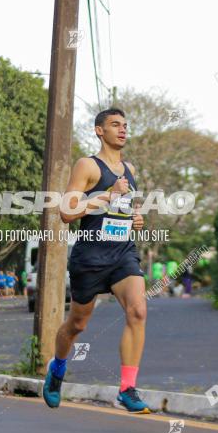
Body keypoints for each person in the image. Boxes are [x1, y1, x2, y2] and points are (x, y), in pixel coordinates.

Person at [42, 108, 150, 414]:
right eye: (115, 125)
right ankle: (57, 369)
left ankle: (127, 389)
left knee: (138, 310)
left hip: (122, 254)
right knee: (77, 325)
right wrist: (105, 194)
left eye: (126, 125)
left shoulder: (129, 168)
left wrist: (135, 217)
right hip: (90, 256)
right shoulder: (87, 165)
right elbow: (66, 212)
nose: (123, 130)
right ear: (99, 131)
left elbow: (123, 208)